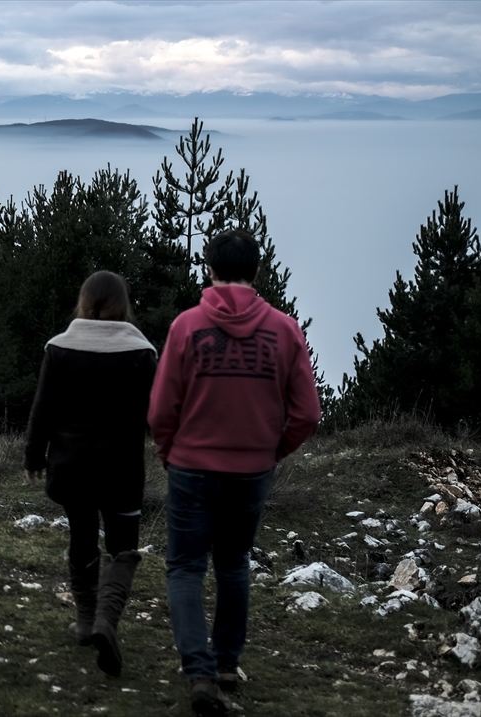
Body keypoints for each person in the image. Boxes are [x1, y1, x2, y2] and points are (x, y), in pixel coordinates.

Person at [149, 229, 321, 715]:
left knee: (184, 567)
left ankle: (199, 672)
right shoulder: (285, 330)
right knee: (232, 564)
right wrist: (271, 452)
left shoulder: (186, 326)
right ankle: (226, 663)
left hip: (190, 466)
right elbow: (307, 413)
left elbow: (161, 408)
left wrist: (169, 451)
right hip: (250, 471)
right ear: (257, 271)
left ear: (210, 269)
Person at [24, 271, 158, 678]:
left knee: (81, 537)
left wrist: (34, 454)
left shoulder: (59, 348)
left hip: (71, 467)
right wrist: (172, 449)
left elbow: (42, 408)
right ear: (124, 304)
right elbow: (157, 414)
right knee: (123, 549)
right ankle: (106, 622)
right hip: (121, 469)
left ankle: (85, 622)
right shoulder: (141, 352)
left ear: (83, 301)